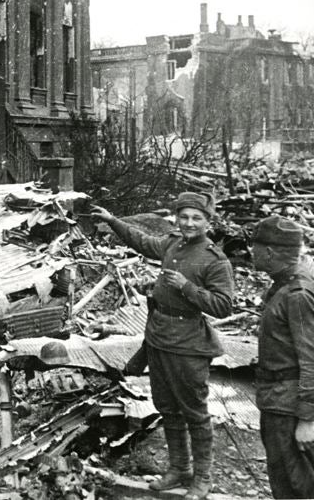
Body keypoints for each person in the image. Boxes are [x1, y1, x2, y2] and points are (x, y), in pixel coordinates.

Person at [90, 192, 233, 500]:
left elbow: (223, 306)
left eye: (197, 218)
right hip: (158, 339)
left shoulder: (215, 259)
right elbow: (143, 241)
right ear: (176, 218)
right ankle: (179, 469)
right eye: (184, 217)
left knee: (195, 412)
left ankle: (203, 477)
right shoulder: (173, 244)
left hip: (189, 345)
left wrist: (187, 287)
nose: (189, 223)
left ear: (209, 222)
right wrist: (113, 221)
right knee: (168, 408)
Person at [251, 215, 314, 499]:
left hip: (294, 407)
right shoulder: (287, 285)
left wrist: (306, 421)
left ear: (269, 253)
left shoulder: (296, 294)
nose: (250, 252)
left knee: (296, 492)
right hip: (286, 401)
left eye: (254, 247)